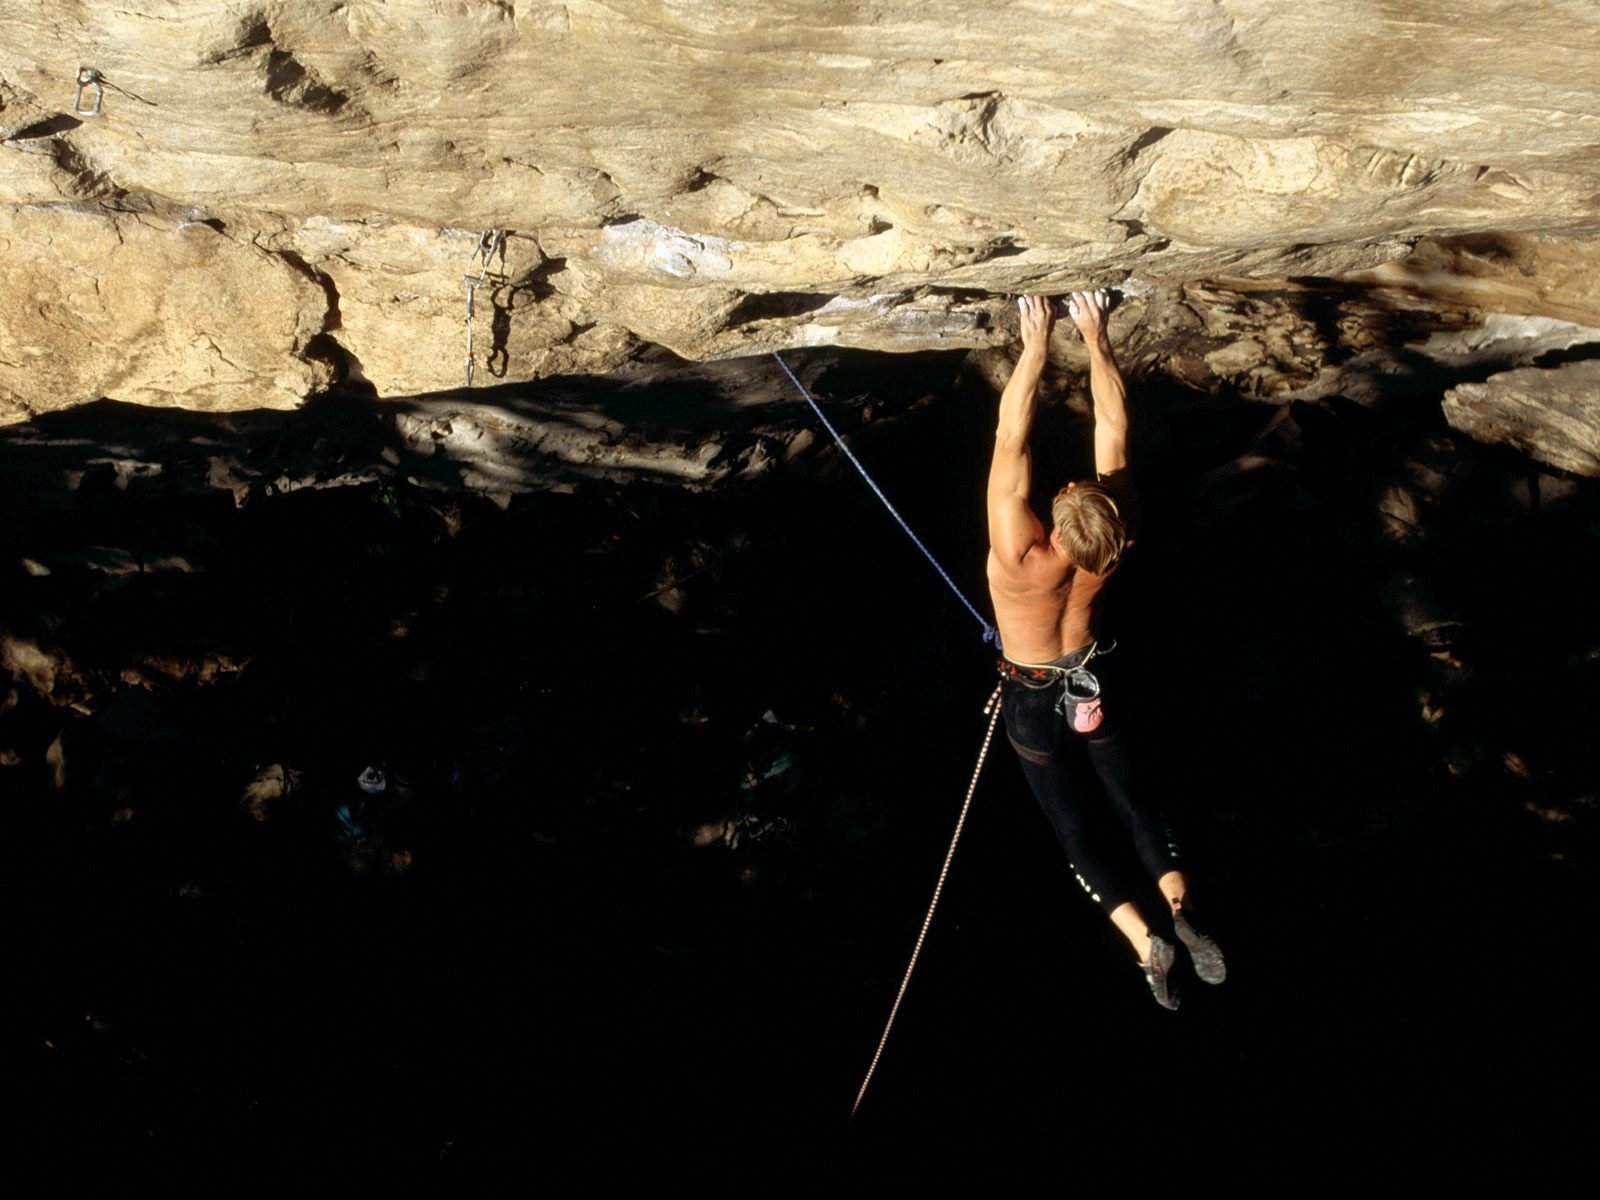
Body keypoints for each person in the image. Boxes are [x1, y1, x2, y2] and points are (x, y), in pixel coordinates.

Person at [985, 290, 1225, 1010]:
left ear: (1057, 513)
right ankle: (1179, 908)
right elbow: (1114, 422)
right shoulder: (1120, 539)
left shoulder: (1019, 554)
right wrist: (1096, 333)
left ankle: (1143, 941)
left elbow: (1010, 438)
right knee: (1133, 801)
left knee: (1072, 828)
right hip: (1091, 682)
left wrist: (1035, 341)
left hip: (1032, 697)